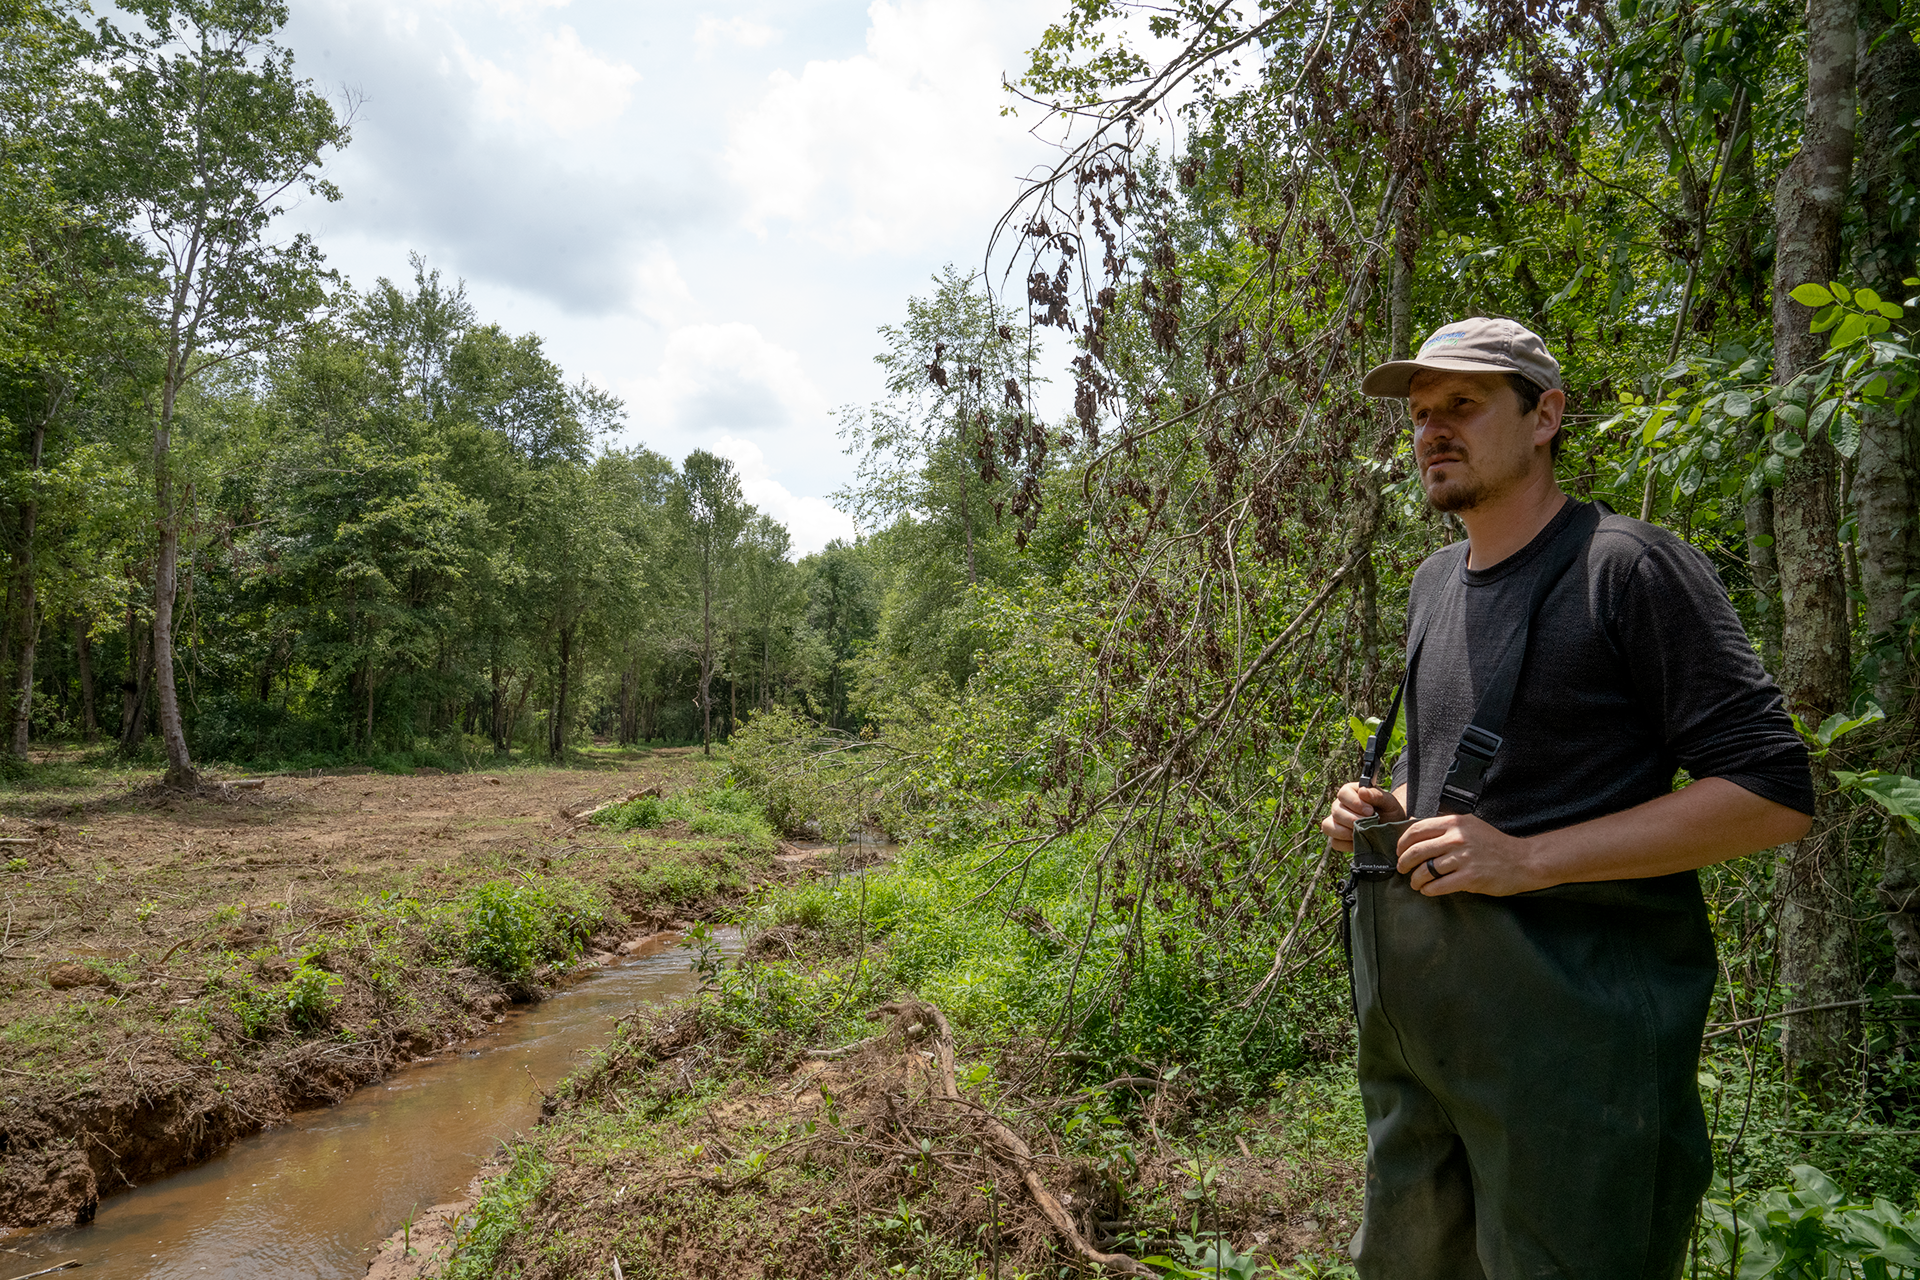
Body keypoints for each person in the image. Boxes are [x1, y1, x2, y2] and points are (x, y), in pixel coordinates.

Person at [1319, 316, 1814, 1280]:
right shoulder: (1434, 583)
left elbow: (1773, 793)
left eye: (1462, 404)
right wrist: (1394, 807)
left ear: (1545, 414)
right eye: (1420, 414)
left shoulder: (1627, 567)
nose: (1432, 431)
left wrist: (1527, 858)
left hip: (1581, 1071)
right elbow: (1491, 779)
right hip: (1428, 1059)